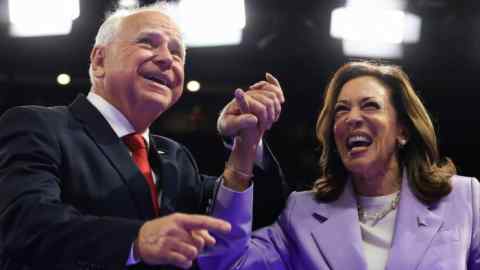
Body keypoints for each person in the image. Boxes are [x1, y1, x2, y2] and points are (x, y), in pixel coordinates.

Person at [0, 3, 288, 270]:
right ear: (99, 60)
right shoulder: (38, 126)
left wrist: (246, 143)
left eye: (176, 52)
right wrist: (135, 239)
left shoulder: (176, 157)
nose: (166, 59)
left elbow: (258, 215)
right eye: (147, 43)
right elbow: (24, 225)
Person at [198, 61, 480, 270]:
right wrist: (245, 147)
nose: (352, 118)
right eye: (341, 110)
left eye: (370, 105)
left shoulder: (464, 199)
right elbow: (227, 265)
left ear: (403, 131)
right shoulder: (303, 213)